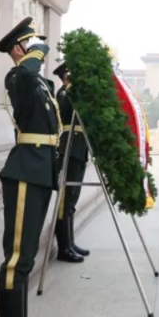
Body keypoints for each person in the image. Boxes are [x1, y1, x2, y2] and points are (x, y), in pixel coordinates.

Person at [0, 17, 60, 317]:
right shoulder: (18, 77)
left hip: (40, 170)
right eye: (33, 44)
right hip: (24, 172)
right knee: (16, 258)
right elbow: (28, 73)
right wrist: (33, 55)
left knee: (28, 256)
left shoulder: (39, 83)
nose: (40, 50)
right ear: (19, 48)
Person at [52, 61, 91, 261]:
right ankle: (63, 248)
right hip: (69, 147)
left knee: (72, 199)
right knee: (65, 201)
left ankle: (70, 242)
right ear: (66, 75)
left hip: (79, 148)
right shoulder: (64, 94)